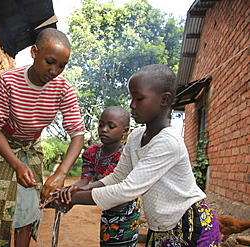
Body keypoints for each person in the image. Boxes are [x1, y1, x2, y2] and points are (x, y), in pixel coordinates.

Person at [41, 64, 222, 247]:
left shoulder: (168, 142)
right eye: (131, 98)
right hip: (160, 228)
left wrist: (71, 198)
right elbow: (118, 176)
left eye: (139, 98)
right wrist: (76, 191)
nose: (132, 105)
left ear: (165, 99)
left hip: (189, 226)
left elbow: (127, 189)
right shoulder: (136, 136)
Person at [0, 27, 85, 247]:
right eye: (50, 61)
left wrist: (61, 173)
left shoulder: (63, 89)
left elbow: (78, 135)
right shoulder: (7, 82)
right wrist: (16, 165)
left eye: (62, 66)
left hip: (31, 147)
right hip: (3, 146)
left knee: (26, 209)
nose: (55, 71)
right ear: (34, 52)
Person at [59, 106, 141, 246]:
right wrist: (69, 190)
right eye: (101, 125)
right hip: (107, 209)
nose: (104, 129)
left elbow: (108, 182)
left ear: (125, 131)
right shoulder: (92, 152)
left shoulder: (125, 156)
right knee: (106, 241)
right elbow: (84, 180)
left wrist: (74, 197)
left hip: (126, 212)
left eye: (111, 126)